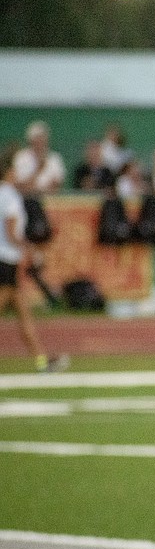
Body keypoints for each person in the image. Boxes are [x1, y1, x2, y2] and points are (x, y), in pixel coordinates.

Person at [0, 145, 68, 373]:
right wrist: (31, 250)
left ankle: (42, 360)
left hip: (8, 262)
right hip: (6, 262)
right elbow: (11, 234)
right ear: (9, 172)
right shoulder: (10, 197)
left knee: (24, 314)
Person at [13, 121, 65, 197]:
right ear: (30, 140)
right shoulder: (21, 157)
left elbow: (57, 184)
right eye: (37, 138)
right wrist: (38, 170)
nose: (40, 141)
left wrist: (43, 190)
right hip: (27, 199)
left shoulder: (54, 157)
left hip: (50, 199)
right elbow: (22, 186)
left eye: (43, 137)